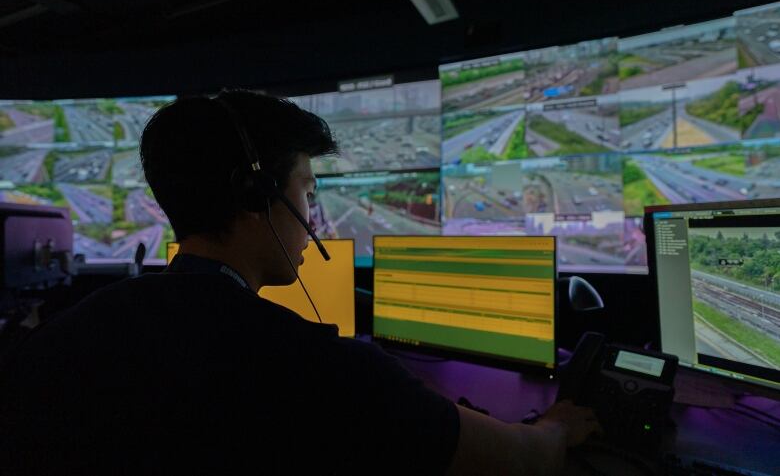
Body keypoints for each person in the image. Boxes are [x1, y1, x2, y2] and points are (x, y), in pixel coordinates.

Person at [0, 90, 599, 475]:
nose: (311, 218)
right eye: (307, 193)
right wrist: (555, 428)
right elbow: (518, 462)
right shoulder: (315, 369)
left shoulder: (67, 334)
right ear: (257, 195)